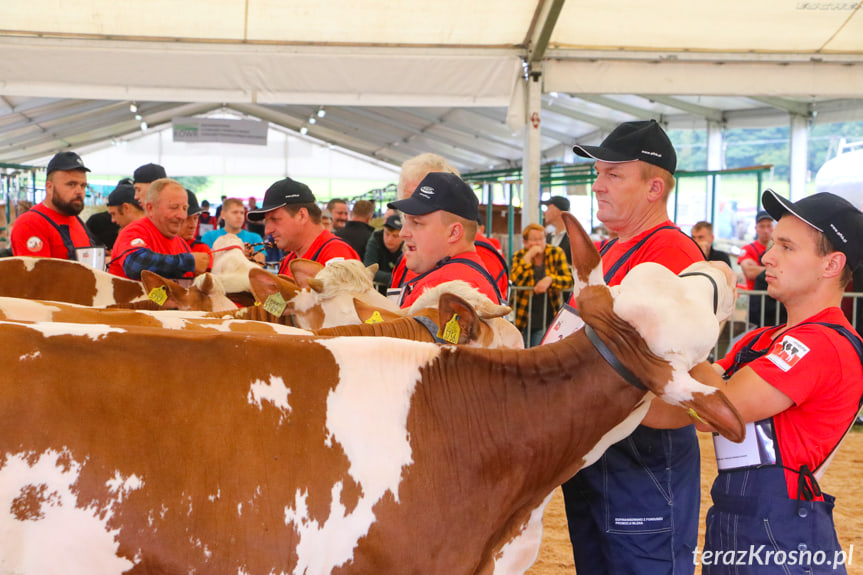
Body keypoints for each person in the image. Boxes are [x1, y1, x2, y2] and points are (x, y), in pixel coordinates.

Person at [550, 119, 706, 575]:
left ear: (654, 187)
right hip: (604, 442)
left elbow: (661, 364)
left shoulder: (669, 254)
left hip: (642, 448)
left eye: (613, 175)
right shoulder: (617, 249)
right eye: (597, 174)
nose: (597, 186)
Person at [695, 190, 863, 575]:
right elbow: (681, 408)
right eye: (772, 244)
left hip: (781, 531)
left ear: (832, 264)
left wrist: (694, 340)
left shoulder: (821, 343)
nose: (768, 257)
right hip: (736, 516)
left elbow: (714, 411)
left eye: (786, 247)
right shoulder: (760, 340)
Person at [387, 172, 503, 309]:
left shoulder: (440, 290)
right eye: (406, 221)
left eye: (417, 223)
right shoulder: (470, 274)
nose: (403, 233)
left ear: (454, 233)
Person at [247, 177, 359, 276]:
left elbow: (345, 299)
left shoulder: (336, 255)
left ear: (302, 215)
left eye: (275, 219)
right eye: (267, 222)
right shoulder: (289, 261)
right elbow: (274, 300)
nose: (267, 230)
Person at [11, 151, 103, 263]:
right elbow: (36, 277)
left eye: (83, 185)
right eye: (71, 184)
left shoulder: (77, 222)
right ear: (49, 187)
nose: (79, 191)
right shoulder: (30, 224)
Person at [108, 178, 209, 280]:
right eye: (174, 207)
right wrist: (188, 262)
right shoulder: (134, 232)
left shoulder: (182, 244)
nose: (182, 216)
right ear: (150, 208)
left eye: (184, 208)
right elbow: (136, 264)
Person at [510, 222, 572, 347]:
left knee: (537, 350)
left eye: (541, 238)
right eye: (534, 240)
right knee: (521, 350)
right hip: (522, 315)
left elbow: (568, 280)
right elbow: (516, 280)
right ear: (525, 242)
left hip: (546, 315)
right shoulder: (519, 256)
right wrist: (528, 258)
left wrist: (550, 279)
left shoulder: (556, 253)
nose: (538, 243)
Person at [201, 198, 265, 264]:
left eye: (242, 213)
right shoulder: (209, 236)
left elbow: (260, 264)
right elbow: (204, 263)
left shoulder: (255, 238)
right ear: (223, 214)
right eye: (235, 212)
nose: (239, 216)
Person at [363, 214, 404, 294]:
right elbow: (369, 270)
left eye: (395, 236)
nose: (389, 239)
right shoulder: (375, 240)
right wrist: (396, 278)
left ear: (403, 237)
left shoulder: (408, 246)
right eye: (387, 234)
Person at [179, 189, 212, 264]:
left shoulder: (202, 250)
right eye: (187, 218)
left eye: (195, 218)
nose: (193, 225)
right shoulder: (159, 245)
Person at [541, 195, 573, 266]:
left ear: (556, 210)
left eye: (548, 209)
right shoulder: (548, 237)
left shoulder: (573, 239)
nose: (544, 213)